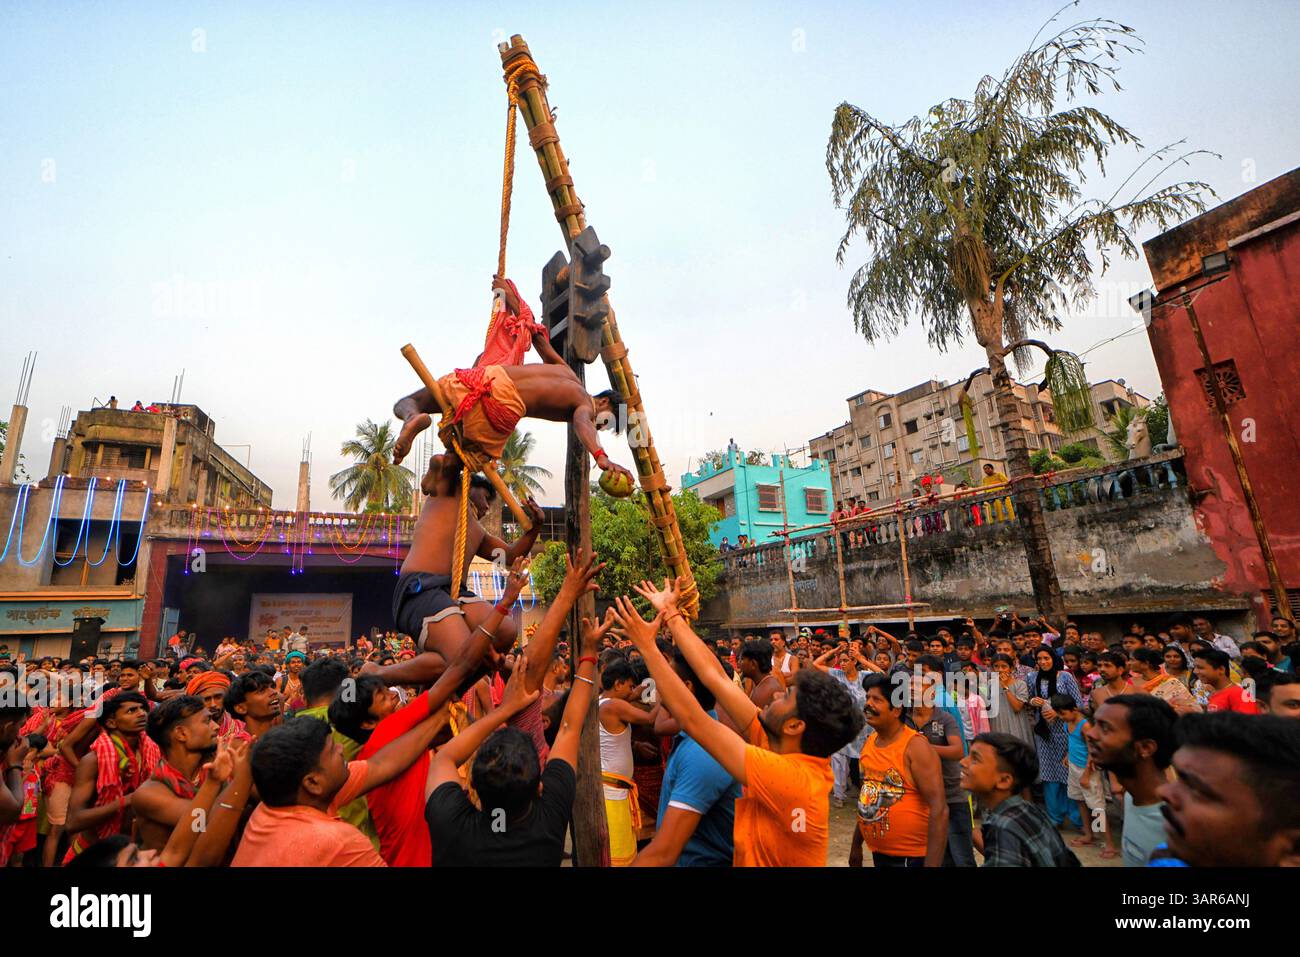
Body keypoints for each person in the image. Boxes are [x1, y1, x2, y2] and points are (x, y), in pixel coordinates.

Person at [613, 578, 863, 866]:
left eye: (785, 697)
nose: (775, 695)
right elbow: (716, 677)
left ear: (795, 726)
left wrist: (648, 647)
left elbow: (694, 720)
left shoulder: (792, 779)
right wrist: (672, 614)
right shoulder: (777, 745)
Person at [390, 276, 633, 483]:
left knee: (409, 402)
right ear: (602, 402)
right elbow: (583, 422)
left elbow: (537, 337)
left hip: (484, 380)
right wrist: (600, 456)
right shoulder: (584, 404)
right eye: (605, 421)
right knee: (464, 459)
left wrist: (511, 299)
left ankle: (412, 417)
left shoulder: (566, 372)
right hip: (501, 410)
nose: (600, 426)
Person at [425, 609, 604, 866]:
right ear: (540, 786)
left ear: (471, 786)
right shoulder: (551, 820)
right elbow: (570, 728)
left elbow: (444, 758)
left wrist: (505, 710)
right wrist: (589, 654)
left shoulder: (451, 824)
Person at [379, 455, 543, 687]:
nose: (487, 507)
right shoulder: (449, 493)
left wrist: (534, 528)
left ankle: (452, 689)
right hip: (422, 587)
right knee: (461, 655)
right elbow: (443, 461)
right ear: (469, 486)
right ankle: (379, 674)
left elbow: (510, 555)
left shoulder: (478, 532)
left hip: (454, 594)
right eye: (486, 498)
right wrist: (471, 449)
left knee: (505, 631)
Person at [634, 646, 742, 867]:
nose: (658, 683)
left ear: (687, 687)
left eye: (667, 677)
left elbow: (663, 853)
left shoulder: (704, 752)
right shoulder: (694, 740)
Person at [1157, 712, 1300, 866]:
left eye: (1197, 790)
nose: (1162, 792)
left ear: (1293, 850)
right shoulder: (1164, 856)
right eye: (1179, 778)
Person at [851, 673, 948, 867]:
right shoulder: (871, 741)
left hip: (911, 860)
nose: (868, 704)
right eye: (868, 697)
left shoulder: (916, 747)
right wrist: (856, 846)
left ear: (896, 710)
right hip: (880, 854)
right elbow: (868, 799)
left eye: (876, 699)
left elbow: (940, 809)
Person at [63, 692, 159, 862]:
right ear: (111, 722)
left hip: (131, 853)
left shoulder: (152, 751)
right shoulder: (93, 761)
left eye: (143, 709)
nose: (142, 713)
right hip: (95, 855)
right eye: (132, 711)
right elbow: (73, 822)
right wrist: (125, 801)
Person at [960, 732, 1080, 867]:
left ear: (1004, 780)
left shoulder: (1004, 827)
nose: (963, 762)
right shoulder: (1030, 811)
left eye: (975, 759)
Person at [1084, 693, 1176, 867]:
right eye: (1095, 723)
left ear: (1145, 748)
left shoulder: (1178, 825)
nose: (1090, 734)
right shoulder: (1131, 798)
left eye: (1105, 728)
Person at [129, 695, 216, 852]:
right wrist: (240, 776)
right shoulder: (149, 794)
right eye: (207, 721)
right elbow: (207, 822)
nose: (216, 726)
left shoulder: (211, 767)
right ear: (181, 734)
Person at [597, 656, 661, 866]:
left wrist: (637, 689)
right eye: (629, 686)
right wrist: (663, 696)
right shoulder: (613, 705)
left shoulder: (604, 702)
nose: (632, 692)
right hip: (612, 791)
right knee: (617, 855)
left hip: (615, 790)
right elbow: (650, 718)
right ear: (618, 684)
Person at [905, 669, 973, 866]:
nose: (911, 690)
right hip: (918, 797)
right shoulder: (903, 719)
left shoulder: (944, 719)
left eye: (917, 687)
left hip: (951, 794)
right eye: (909, 686)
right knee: (923, 855)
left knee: (961, 856)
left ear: (932, 694)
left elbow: (958, 750)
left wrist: (923, 746)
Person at [1026, 647, 1082, 827]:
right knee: (1049, 774)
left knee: (1068, 773)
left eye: (1046, 658)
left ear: (1054, 658)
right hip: (1043, 732)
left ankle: (1076, 818)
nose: (1043, 662)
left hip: (1064, 729)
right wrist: (1033, 701)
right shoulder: (1032, 677)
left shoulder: (1064, 677)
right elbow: (1030, 698)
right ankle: (1054, 817)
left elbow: (1078, 703)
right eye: (1039, 659)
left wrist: (1058, 713)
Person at [1055, 695, 1115, 857]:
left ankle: (1108, 843)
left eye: (1063, 713)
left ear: (1074, 709)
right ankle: (1089, 834)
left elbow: (1091, 750)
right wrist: (1068, 755)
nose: (1061, 717)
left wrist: (1087, 775)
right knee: (1079, 800)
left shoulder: (1085, 726)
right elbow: (1073, 742)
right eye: (1059, 714)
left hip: (1087, 770)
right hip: (1075, 767)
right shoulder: (1069, 722)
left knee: (1096, 807)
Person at [1128, 647, 1200, 715]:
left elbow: (1191, 706)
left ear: (1145, 664)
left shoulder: (1170, 682)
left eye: (1132, 660)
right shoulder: (1130, 682)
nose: (1129, 663)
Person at [1193, 647, 1259, 713]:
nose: (1195, 671)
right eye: (1194, 667)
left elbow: (1249, 722)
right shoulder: (1215, 694)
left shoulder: (1238, 694)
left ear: (1221, 669)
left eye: (1200, 668)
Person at [987, 654, 1034, 745]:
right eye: (996, 666)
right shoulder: (990, 684)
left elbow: (1017, 707)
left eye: (1004, 666)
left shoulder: (1020, 684)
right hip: (998, 722)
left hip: (1016, 723)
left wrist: (1005, 687)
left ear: (1011, 668)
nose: (1000, 669)